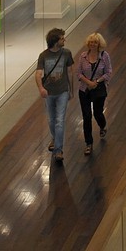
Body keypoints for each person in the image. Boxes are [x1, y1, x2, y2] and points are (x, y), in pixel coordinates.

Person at [35, 27, 72, 165]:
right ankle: (55, 138)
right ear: (55, 41)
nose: (64, 40)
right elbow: (38, 73)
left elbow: (70, 72)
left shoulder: (66, 53)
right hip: (49, 92)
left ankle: (58, 150)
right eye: (62, 38)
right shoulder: (43, 56)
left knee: (59, 120)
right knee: (51, 120)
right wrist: (41, 88)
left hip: (62, 91)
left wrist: (70, 89)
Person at [75, 32, 112, 155]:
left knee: (97, 113)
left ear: (99, 44)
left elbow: (108, 72)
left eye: (95, 42)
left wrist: (97, 81)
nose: (93, 44)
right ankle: (88, 143)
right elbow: (79, 73)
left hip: (99, 89)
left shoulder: (104, 56)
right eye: (91, 42)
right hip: (84, 90)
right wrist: (88, 82)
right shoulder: (83, 56)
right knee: (86, 116)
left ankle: (102, 125)